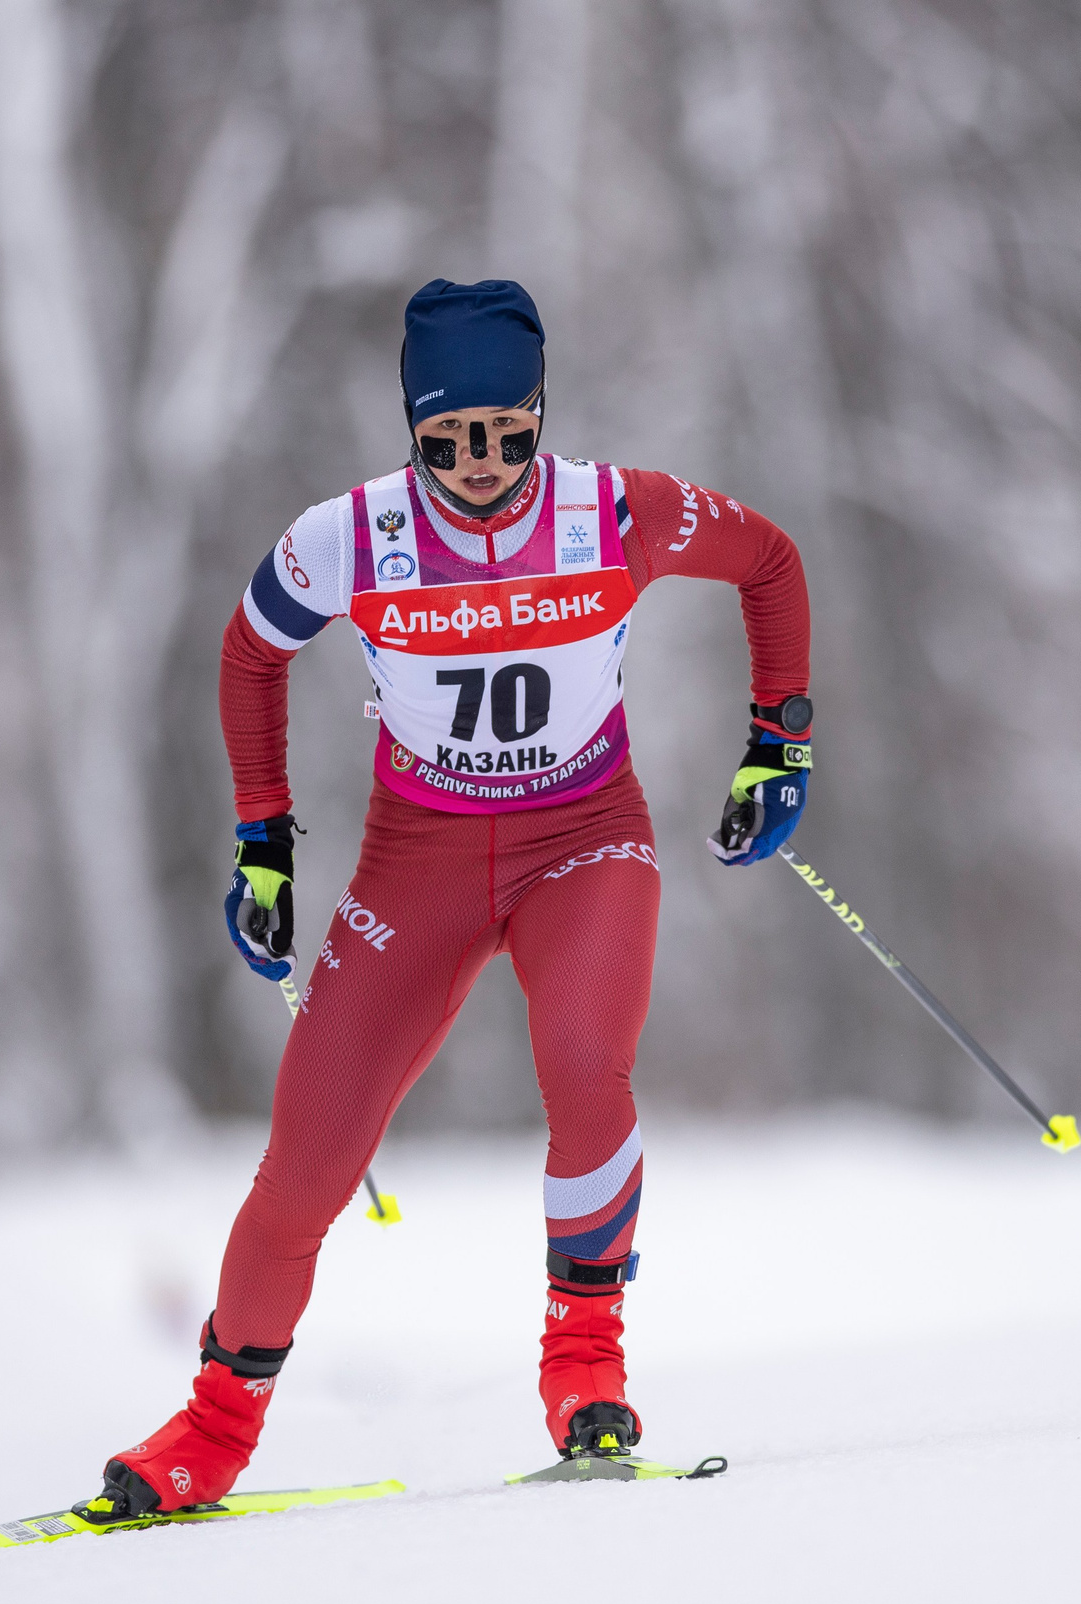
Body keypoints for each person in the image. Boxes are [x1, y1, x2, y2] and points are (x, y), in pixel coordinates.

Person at [84, 279, 815, 1517]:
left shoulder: (615, 512)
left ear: (542, 412)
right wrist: (264, 844)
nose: (480, 466)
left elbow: (771, 560)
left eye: (507, 435)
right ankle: (209, 1432)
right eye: (446, 442)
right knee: (305, 1163)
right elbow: (250, 649)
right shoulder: (348, 538)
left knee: (587, 1064)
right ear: (408, 432)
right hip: (414, 862)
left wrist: (777, 743)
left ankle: (584, 1366)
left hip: (582, 837)